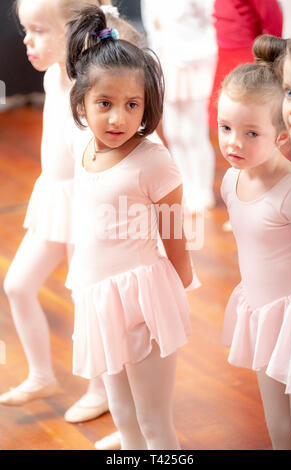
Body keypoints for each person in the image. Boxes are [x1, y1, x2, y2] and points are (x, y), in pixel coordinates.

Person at [0, 0, 142, 429]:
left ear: (74, 31)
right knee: (18, 284)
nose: (27, 40)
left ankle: (106, 393)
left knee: (90, 303)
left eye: (39, 30)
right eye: (26, 29)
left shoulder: (92, 85)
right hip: (54, 199)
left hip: (87, 207)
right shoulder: (50, 76)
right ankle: (42, 374)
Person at [65, 5, 193, 450]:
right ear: (81, 102)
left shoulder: (153, 160)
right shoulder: (86, 152)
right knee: (122, 413)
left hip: (144, 301)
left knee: (154, 420)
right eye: (105, 103)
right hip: (101, 298)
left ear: (147, 104)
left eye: (131, 105)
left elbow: (175, 235)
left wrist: (175, 295)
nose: (118, 118)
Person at [218, 36, 291, 449]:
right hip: (266, 316)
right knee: (278, 426)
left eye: (252, 133)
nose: (235, 142)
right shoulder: (231, 181)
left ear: (281, 136)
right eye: (226, 128)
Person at [141, 0, 217, 212]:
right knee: (174, 132)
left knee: (193, 133)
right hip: (166, 64)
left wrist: (198, 52)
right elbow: (152, 25)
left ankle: (202, 190)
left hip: (193, 64)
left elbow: (212, 19)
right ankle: (185, 184)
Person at [209, 0, 283, 136]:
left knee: (247, 113)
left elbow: (273, 19)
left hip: (244, 52)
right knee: (220, 112)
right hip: (222, 51)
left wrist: (272, 55)